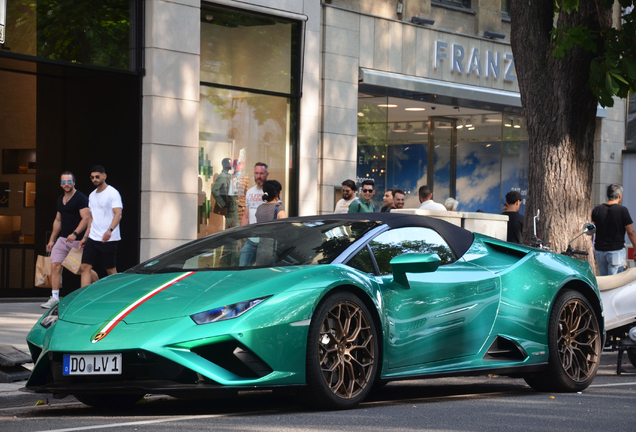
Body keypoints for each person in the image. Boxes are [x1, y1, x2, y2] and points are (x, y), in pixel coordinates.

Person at [41, 172, 91, 309]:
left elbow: (86, 218)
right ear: (60, 184)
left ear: (74, 182)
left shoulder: (81, 198)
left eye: (69, 181)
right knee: (55, 264)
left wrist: (75, 233)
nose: (66, 184)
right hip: (63, 239)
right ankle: (55, 297)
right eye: (63, 182)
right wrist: (52, 240)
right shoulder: (60, 199)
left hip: (77, 240)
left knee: (83, 269)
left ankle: (96, 288)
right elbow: (58, 220)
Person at [79, 166, 123, 287]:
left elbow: (118, 214)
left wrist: (109, 230)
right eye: (92, 177)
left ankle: (116, 295)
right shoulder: (92, 195)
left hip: (109, 238)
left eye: (97, 177)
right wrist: (85, 237)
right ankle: (84, 298)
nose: (95, 179)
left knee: (110, 270)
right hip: (93, 237)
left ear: (104, 176)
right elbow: (92, 218)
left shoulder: (113, 193)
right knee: (84, 267)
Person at [592, 184, 636, 275]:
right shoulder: (622, 210)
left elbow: (591, 230)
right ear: (620, 195)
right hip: (616, 251)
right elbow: (630, 232)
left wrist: (592, 249)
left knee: (605, 280)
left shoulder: (597, 210)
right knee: (615, 283)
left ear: (607, 195)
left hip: (599, 251)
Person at [239, 162, 269, 266]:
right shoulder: (250, 192)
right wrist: (240, 238)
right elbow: (246, 216)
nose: (258, 176)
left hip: (266, 242)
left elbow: (278, 215)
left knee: (263, 273)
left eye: (261, 173)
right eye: (256, 173)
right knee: (241, 270)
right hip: (250, 240)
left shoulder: (272, 192)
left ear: (267, 174)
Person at [211, 158, 239, 229]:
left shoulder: (228, 176)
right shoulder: (222, 176)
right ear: (225, 164)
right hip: (230, 209)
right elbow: (214, 190)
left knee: (232, 230)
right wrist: (223, 203)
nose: (231, 165)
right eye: (230, 163)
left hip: (234, 208)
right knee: (234, 229)